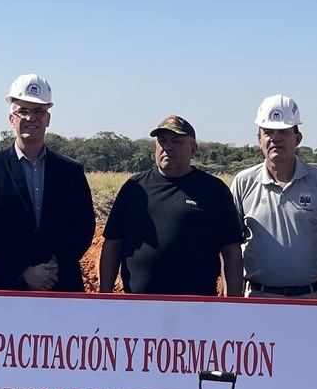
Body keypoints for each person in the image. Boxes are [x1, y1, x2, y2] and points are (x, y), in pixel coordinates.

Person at [0, 73, 96, 291]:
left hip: (61, 284)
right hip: (8, 287)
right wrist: (22, 271)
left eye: (39, 111)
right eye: (23, 111)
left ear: (48, 119)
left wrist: (55, 267)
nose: (31, 118)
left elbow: (83, 226)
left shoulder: (71, 171)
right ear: (11, 119)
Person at [98, 115, 243, 295]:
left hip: (197, 307)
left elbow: (231, 252)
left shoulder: (214, 190)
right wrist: (104, 295)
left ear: (193, 149)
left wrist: (234, 303)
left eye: (177, 141)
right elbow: (113, 246)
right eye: (162, 141)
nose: (167, 147)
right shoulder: (135, 188)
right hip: (138, 307)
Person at [232, 94, 317, 298]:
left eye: (283, 132)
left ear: (298, 138)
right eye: (268, 132)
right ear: (259, 139)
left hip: (312, 298)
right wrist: (233, 298)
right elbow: (231, 243)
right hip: (259, 298)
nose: (275, 138)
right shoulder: (243, 182)